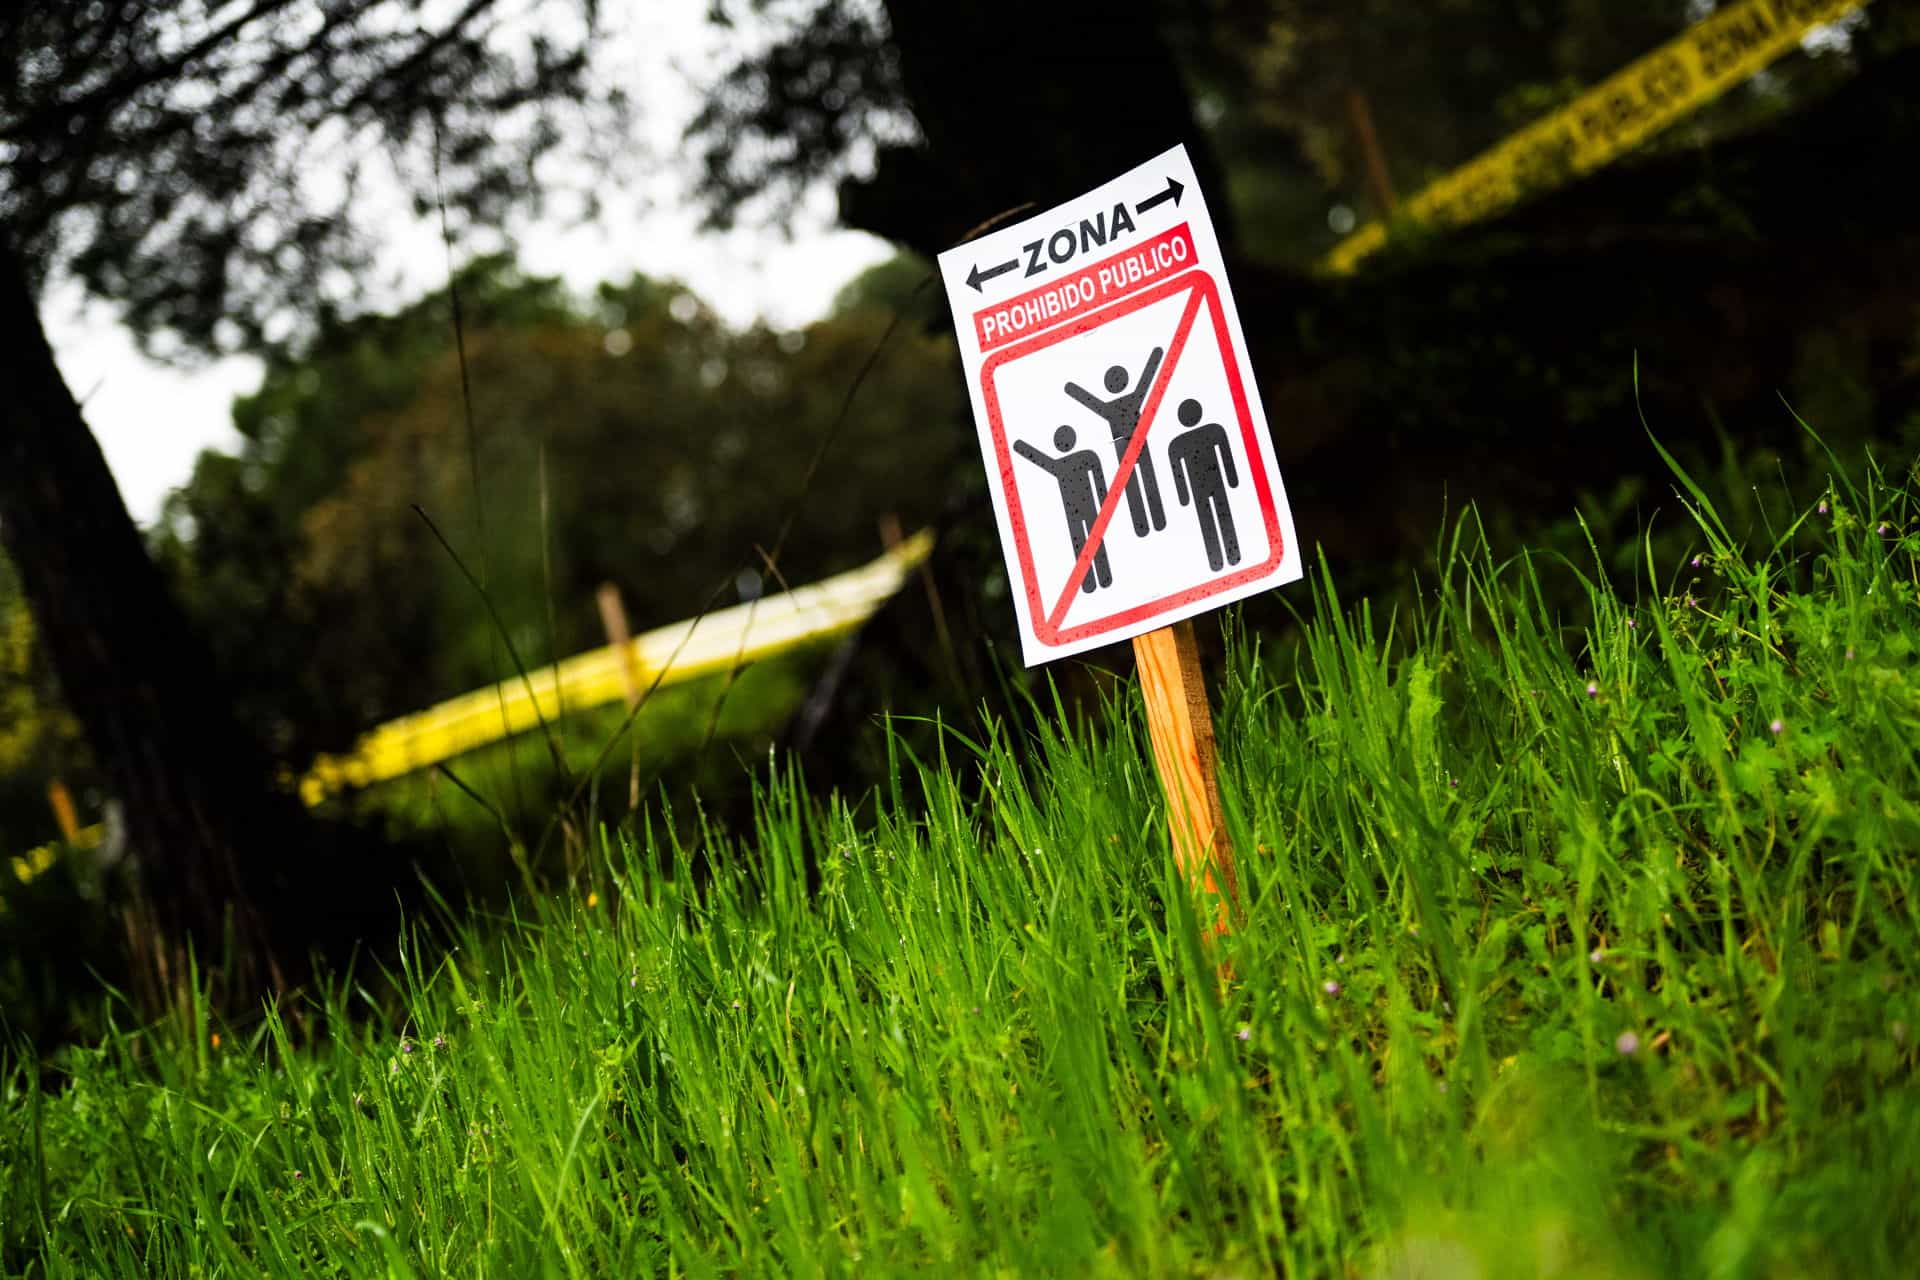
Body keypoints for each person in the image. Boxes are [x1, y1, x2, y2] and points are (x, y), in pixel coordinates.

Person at [1065, 347, 1167, 537]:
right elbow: (1147, 378)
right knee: (1138, 481)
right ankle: (1146, 522)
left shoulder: (1115, 407)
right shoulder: (1129, 401)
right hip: (1129, 447)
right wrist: (1071, 389)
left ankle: (1149, 521)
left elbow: (1091, 402)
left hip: (1134, 445)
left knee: (1141, 480)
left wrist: (1072, 389)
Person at [1013, 425, 1113, 593]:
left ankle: (1100, 579)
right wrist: (1019, 446)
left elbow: (1098, 480)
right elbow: (1039, 459)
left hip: (1083, 510)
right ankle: (1092, 581)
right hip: (1077, 512)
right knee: (1084, 544)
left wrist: (1106, 504)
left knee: (1088, 542)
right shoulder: (1083, 458)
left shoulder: (1083, 458)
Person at [1167, 397, 1240, 572]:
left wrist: (1232, 479)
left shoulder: (1180, 443)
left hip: (1208, 487)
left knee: (1214, 520)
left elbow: (1225, 455)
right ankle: (1223, 559)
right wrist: (1232, 480)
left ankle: (1225, 559)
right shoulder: (1211, 431)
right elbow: (1178, 471)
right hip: (1211, 486)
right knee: (1216, 519)